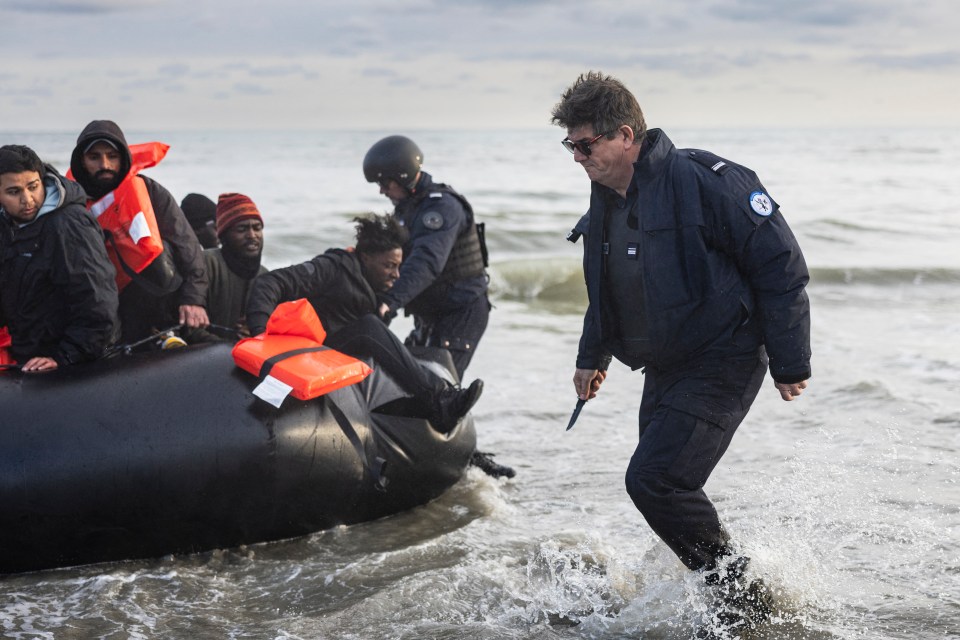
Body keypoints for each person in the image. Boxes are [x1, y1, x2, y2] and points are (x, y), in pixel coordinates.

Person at [552, 71, 811, 632]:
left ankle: (745, 603)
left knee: (656, 481)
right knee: (664, 489)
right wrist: (592, 355)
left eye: (584, 144)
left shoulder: (706, 180)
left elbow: (781, 267)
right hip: (666, 367)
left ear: (625, 134)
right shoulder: (606, 198)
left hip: (726, 356)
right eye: (570, 145)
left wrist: (790, 362)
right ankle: (716, 594)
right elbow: (606, 285)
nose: (576, 156)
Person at [246, 214, 483, 434]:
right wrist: (260, 336)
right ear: (366, 257)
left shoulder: (376, 290)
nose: (396, 275)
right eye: (389, 266)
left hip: (345, 366)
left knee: (413, 353)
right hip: (313, 354)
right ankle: (439, 399)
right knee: (369, 329)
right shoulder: (333, 268)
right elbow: (270, 282)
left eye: (399, 266)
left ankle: (454, 439)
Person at [69, 120, 209, 345]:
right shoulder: (70, 203)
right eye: (94, 157)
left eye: (112, 156)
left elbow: (187, 245)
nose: (104, 164)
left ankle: (165, 334)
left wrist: (194, 299)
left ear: (123, 158)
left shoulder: (150, 191)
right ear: (82, 161)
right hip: (104, 298)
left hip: (155, 291)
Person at [362, 135, 489, 380]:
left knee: (438, 386)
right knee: (398, 379)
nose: (381, 191)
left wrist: (389, 301)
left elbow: (427, 261)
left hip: (460, 312)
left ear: (403, 176)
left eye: (385, 184)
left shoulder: (441, 208)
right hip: (430, 313)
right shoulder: (408, 207)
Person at [0, 145, 119, 372]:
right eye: (14, 192)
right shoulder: (6, 227)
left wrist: (66, 355)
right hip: (25, 355)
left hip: (71, 360)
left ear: (42, 180)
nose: (28, 199)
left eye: (33, 187)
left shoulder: (68, 224)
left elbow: (98, 302)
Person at [184, 193, 267, 343]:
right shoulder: (203, 265)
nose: (252, 235)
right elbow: (186, 328)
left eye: (257, 228)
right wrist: (230, 346)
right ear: (224, 235)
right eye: (242, 229)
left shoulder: (266, 277)